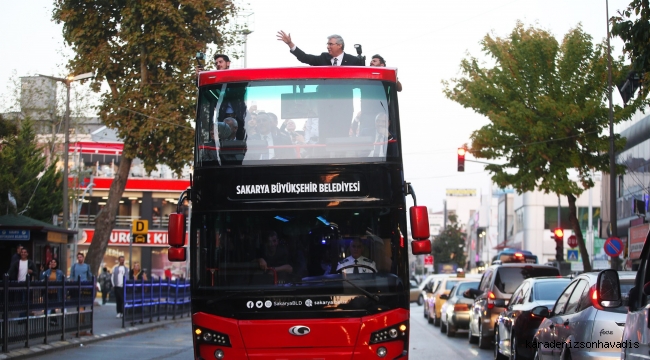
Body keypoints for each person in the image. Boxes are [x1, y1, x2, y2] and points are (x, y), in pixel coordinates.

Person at [277, 31, 363, 66]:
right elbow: (304, 57)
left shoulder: (353, 60)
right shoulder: (323, 57)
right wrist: (290, 43)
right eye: (327, 44)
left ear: (340, 45)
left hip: (344, 99)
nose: (328, 47)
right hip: (324, 100)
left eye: (330, 44)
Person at [41, 258, 65, 324]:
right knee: (47, 305)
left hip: (56, 292)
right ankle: (49, 320)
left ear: (57, 264)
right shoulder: (47, 271)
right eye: (51, 262)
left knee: (53, 306)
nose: (53, 263)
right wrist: (42, 272)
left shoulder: (60, 272)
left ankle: (53, 320)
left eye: (54, 262)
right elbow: (41, 279)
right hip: (48, 292)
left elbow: (63, 282)